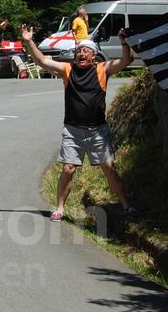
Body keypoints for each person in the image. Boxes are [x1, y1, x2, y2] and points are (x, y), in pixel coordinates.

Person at [21, 23, 136, 221]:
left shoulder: (102, 70)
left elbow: (127, 60)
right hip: (73, 131)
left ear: (93, 55)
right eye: (78, 51)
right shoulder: (68, 70)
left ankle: (126, 206)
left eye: (85, 51)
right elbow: (41, 62)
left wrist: (124, 43)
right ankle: (59, 208)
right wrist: (29, 41)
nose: (81, 54)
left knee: (109, 169)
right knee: (68, 169)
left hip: (98, 131)